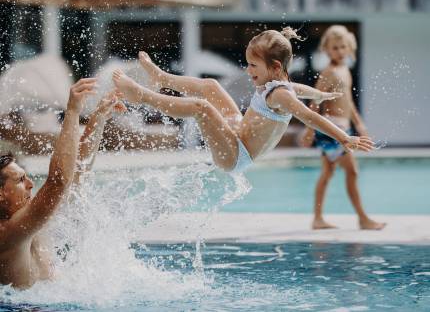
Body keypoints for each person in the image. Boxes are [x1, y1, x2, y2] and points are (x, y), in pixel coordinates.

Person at [112, 27, 374, 175]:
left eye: (252, 66)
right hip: (237, 134)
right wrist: (319, 94)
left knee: (201, 107)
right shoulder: (279, 85)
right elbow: (298, 88)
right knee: (211, 86)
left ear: (273, 66)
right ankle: (161, 77)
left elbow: (310, 117)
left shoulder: (280, 95)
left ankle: (142, 95)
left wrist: (344, 137)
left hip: (236, 155)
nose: (248, 71)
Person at [0, 80, 124, 289]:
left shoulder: (29, 217)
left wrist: (99, 117)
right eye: (21, 180)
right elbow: (58, 182)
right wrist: (73, 111)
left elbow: (76, 172)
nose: (31, 184)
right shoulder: (7, 233)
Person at [301, 25, 385, 230]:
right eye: (335, 48)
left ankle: (317, 219)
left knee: (327, 173)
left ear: (349, 48)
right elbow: (314, 102)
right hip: (332, 130)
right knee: (353, 171)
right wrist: (310, 130)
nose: (339, 51)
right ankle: (363, 219)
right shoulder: (328, 73)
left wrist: (359, 124)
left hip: (342, 129)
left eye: (342, 47)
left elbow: (348, 102)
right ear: (326, 50)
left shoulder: (344, 70)